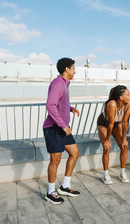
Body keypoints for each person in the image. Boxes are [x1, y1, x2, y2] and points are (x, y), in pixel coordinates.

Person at [42, 57, 81, 204]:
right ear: (67, 69)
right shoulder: (58, 83)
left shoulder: (64, 84)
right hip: (54, 128)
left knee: (75, 153)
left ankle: (64, 186)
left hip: (62, 128)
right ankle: (50, 192)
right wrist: (64, 126)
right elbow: (50, 105)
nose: (74, 71)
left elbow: (59, 103)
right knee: (56, 160)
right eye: (73, 68)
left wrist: (70, 108)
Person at [97, 85, 130, 184]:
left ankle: (122, 173)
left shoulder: (128, 104)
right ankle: (105, 174)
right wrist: (107, 140)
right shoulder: (112, 104)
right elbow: (110, 124)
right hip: (104, 123)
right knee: (107, 147)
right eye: (128, 94)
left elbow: (125, 122)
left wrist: (124, 138)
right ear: (121, 97)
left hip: (117, 124)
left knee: (124, 146)